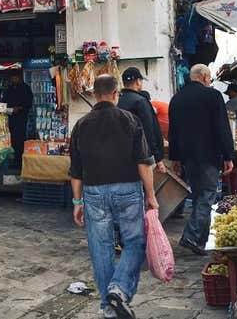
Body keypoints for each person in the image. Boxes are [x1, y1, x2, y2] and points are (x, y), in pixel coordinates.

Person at [69, 75, 158, 319]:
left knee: (100, 247)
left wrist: (77, 202)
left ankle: (109, 306)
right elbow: (143, 162)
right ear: (116, 93)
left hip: (93, 192)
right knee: (135, 242)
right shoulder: (130, 120)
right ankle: (118, 289)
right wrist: (151, 195)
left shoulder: (81, 125)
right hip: (128, 189)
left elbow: (75, 169)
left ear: (95, 95)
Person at [169, 64, 235, 256]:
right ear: (205, 77)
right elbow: (222, 128)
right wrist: (229, 155)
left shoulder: (177, 99)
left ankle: (199, 240)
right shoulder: (212, 96)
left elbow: (173, 132)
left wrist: (176, 158)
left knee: (199, 195)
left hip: (188, 157)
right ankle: (193, 235)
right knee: (207, 195)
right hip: (208, 155)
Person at [117, 67, 166, 174]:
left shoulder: (116, 100)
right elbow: (149, 131)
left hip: (120, 155)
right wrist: (158, 159)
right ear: (138, 81)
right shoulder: (140, 101)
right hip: (141, 157)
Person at [3, 72, 33, 169]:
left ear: (19, 78)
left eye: (14, 77)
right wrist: (4, 108)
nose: (13, 80)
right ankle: (12, 160)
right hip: (10, 118)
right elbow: (3, 101)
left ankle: (20, 162)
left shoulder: (26, 88)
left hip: (21, 118)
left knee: (20, 139)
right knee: (10, 139)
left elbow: (28, 103)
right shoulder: (9, 89)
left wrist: (19, 108)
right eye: (12, 78)